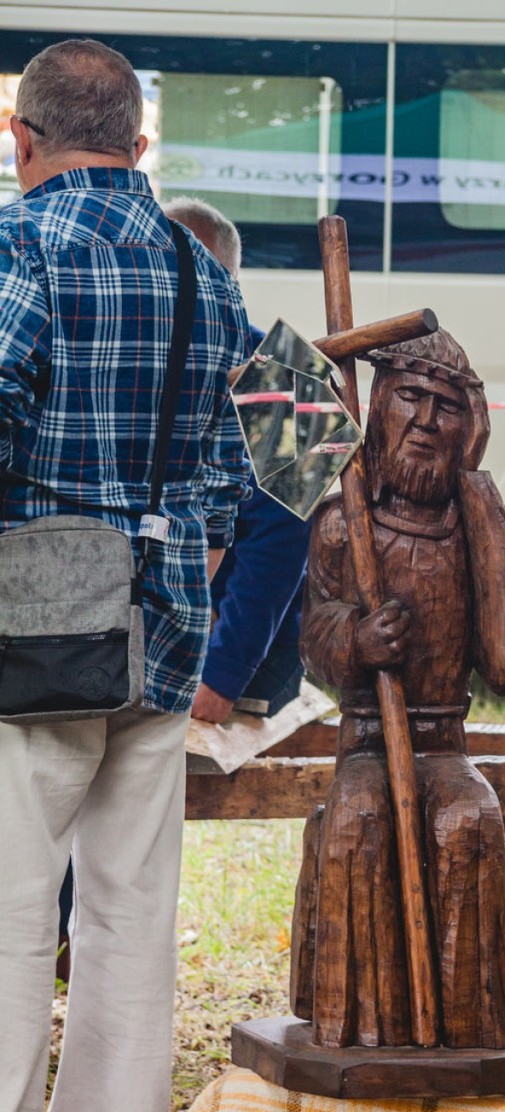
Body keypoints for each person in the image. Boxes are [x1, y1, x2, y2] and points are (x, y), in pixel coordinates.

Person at [0, 40, 251, 1112]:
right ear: (140, 144)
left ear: (21, 141)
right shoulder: (203, 266)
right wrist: (176, 542)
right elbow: (238, 464)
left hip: (33, 623)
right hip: (166, 626)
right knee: (132, 902)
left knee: (6, 904)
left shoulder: (22, 244)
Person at [292, 328, 505, 1050]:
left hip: (444, 744)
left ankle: (461, 1030)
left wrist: (487, 509)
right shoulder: (345, 523)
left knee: (469, 823)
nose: (428, 422)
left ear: (473, 427)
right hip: (367, 741)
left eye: (448, 407)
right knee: (356, 822)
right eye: (411, 398)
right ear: (377, 404)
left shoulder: (477, 529)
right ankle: (358, 1028)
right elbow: (313, 641)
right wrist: (356, 641)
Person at [161, 198, 312, 725]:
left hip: (243, 652)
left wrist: (221, 677)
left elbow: (284, 542)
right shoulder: (150, 351)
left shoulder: (283, 374)